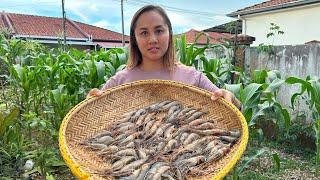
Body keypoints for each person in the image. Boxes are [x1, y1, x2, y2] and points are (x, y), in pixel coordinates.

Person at [88, 5, 241, 109]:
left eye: (159, 31)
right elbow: (95, 115)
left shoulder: (193, 78)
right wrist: (91, 102)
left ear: (169, 34)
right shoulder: (119, 81)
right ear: (134, 39)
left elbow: (232, 111)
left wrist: (231, 99)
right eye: (144, 33)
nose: (153, 39)